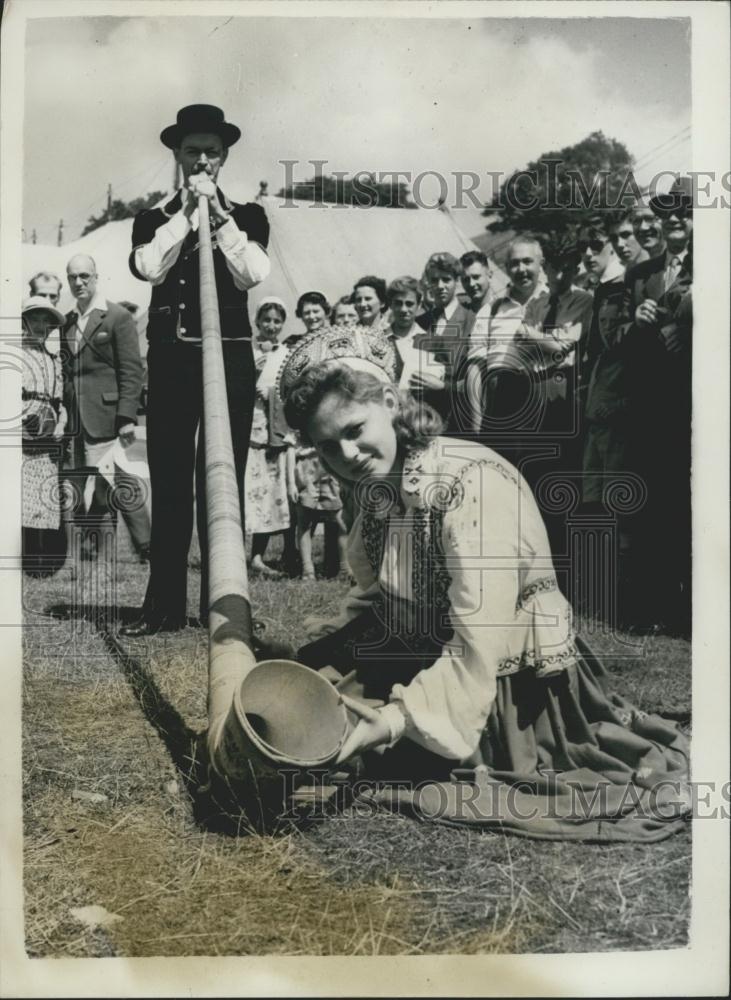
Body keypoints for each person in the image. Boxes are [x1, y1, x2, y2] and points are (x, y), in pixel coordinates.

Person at [278, 337, 690, 840]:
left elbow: (480, 640)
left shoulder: (468, 483)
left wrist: (391, 721)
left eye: (354, 430)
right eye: (326, 444)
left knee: (371, 750)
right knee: (303, 712)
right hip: (424, 650)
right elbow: (378, 593)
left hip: (508, 685)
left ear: (389, 403)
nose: (346, 453)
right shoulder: (382, 486)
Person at [120, 104, 270, 637]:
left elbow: (252, 273)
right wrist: (188, 215)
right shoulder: (152, 218)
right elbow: (147, 267)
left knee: (221, 480)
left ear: (224, 157)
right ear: (178, 158)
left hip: (228, 361)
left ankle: (223, 606)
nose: (202, 159)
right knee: (171, 479)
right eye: (192, 152)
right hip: (172, 362)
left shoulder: (249, 215)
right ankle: (162, 606)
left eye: (211, 150)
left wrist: (220, 218)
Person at [622, 177, 693, 632]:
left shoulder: (713, 265)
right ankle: (655, 605)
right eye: (666, 211)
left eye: (683, 210)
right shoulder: (641, 275)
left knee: (691, 504)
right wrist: (638, 320)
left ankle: (690, 608)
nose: (672, 219)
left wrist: (685, 332)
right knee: (653, 503)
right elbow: (621, 346)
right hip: (651, 406)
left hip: (693, 403)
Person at [61, 253, 145, 565]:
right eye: (73, 277)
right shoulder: (67, 322)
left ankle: (148, 546)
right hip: (77, 419)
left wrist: (126, 416)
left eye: (84, 276)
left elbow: (131, 370)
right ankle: (91, 550)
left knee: (120, 482)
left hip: (110, 417)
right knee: (89, 486)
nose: (78, 282)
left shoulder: (117, 316)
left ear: (96, 277)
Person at [246, 298, 297, 578]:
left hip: (273, 433)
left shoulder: (286, 353)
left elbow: (291, 388)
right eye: (266, 320)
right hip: (249, 429)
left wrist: (274, 395)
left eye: (277, 321)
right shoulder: (248, 350)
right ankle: (243, 555)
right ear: (257, 322)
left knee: (269, 495)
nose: (271, 326)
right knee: (250, 492)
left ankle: (260, 555)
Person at [21, 297, 68, 575]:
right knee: (20, 498)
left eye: (45, 321)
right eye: (34, 319)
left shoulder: (53, 361)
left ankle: (43, 563)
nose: (40, 325)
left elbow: (59, 400)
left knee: (43, 498)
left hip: (47, 436)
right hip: (21, 433)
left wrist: (60, 422)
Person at [415, 252, 475, 434]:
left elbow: (480, 380)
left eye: (446, 279)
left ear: (457, 281)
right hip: (424, 419)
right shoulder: (423, 321)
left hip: (457, 418)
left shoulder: (471, 320)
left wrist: (444, 386)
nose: (440, 286)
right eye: (434, 280)